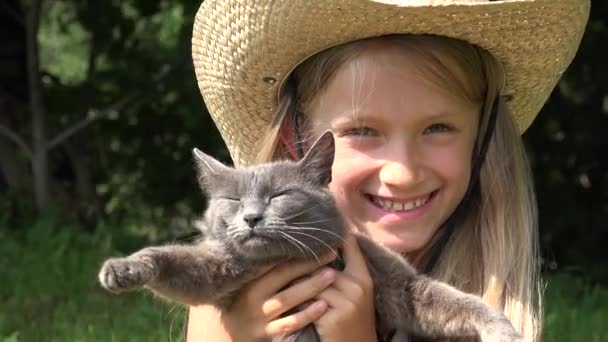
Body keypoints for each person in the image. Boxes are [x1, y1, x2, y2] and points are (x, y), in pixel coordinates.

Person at [187, 0, 590, 341]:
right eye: (362, 131)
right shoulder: (226, 301)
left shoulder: (488, 305)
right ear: (298, 146)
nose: (402, 173)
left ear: (481, 138)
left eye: (437, 128)